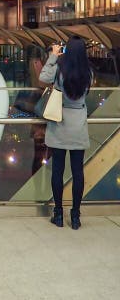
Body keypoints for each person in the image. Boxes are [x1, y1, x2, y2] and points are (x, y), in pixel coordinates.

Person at [39, 36, 92, 230]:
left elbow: (43, 77)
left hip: (59, 124)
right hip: (78, 126)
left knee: (57, 172)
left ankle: (59, 214)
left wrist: (53, 56)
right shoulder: (89, 72)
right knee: (78, 173)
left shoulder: (60, 70)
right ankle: (76, 216)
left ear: (67, 50)